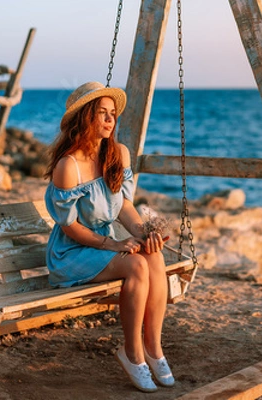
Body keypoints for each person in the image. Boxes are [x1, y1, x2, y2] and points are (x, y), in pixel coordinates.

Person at [44, 81, 173, 393]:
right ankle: (132, 354)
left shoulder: (118, 154)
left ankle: (154, 349)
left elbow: (124, 206)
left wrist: (145, 234)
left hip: (103, 245)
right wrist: (113, 244)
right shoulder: (68, 165)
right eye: (101, 113)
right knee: (137, 267)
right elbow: (69, 227)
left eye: (112, 114)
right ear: (85, 117)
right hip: (72, 252)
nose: (109, 119)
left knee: (153, 255)